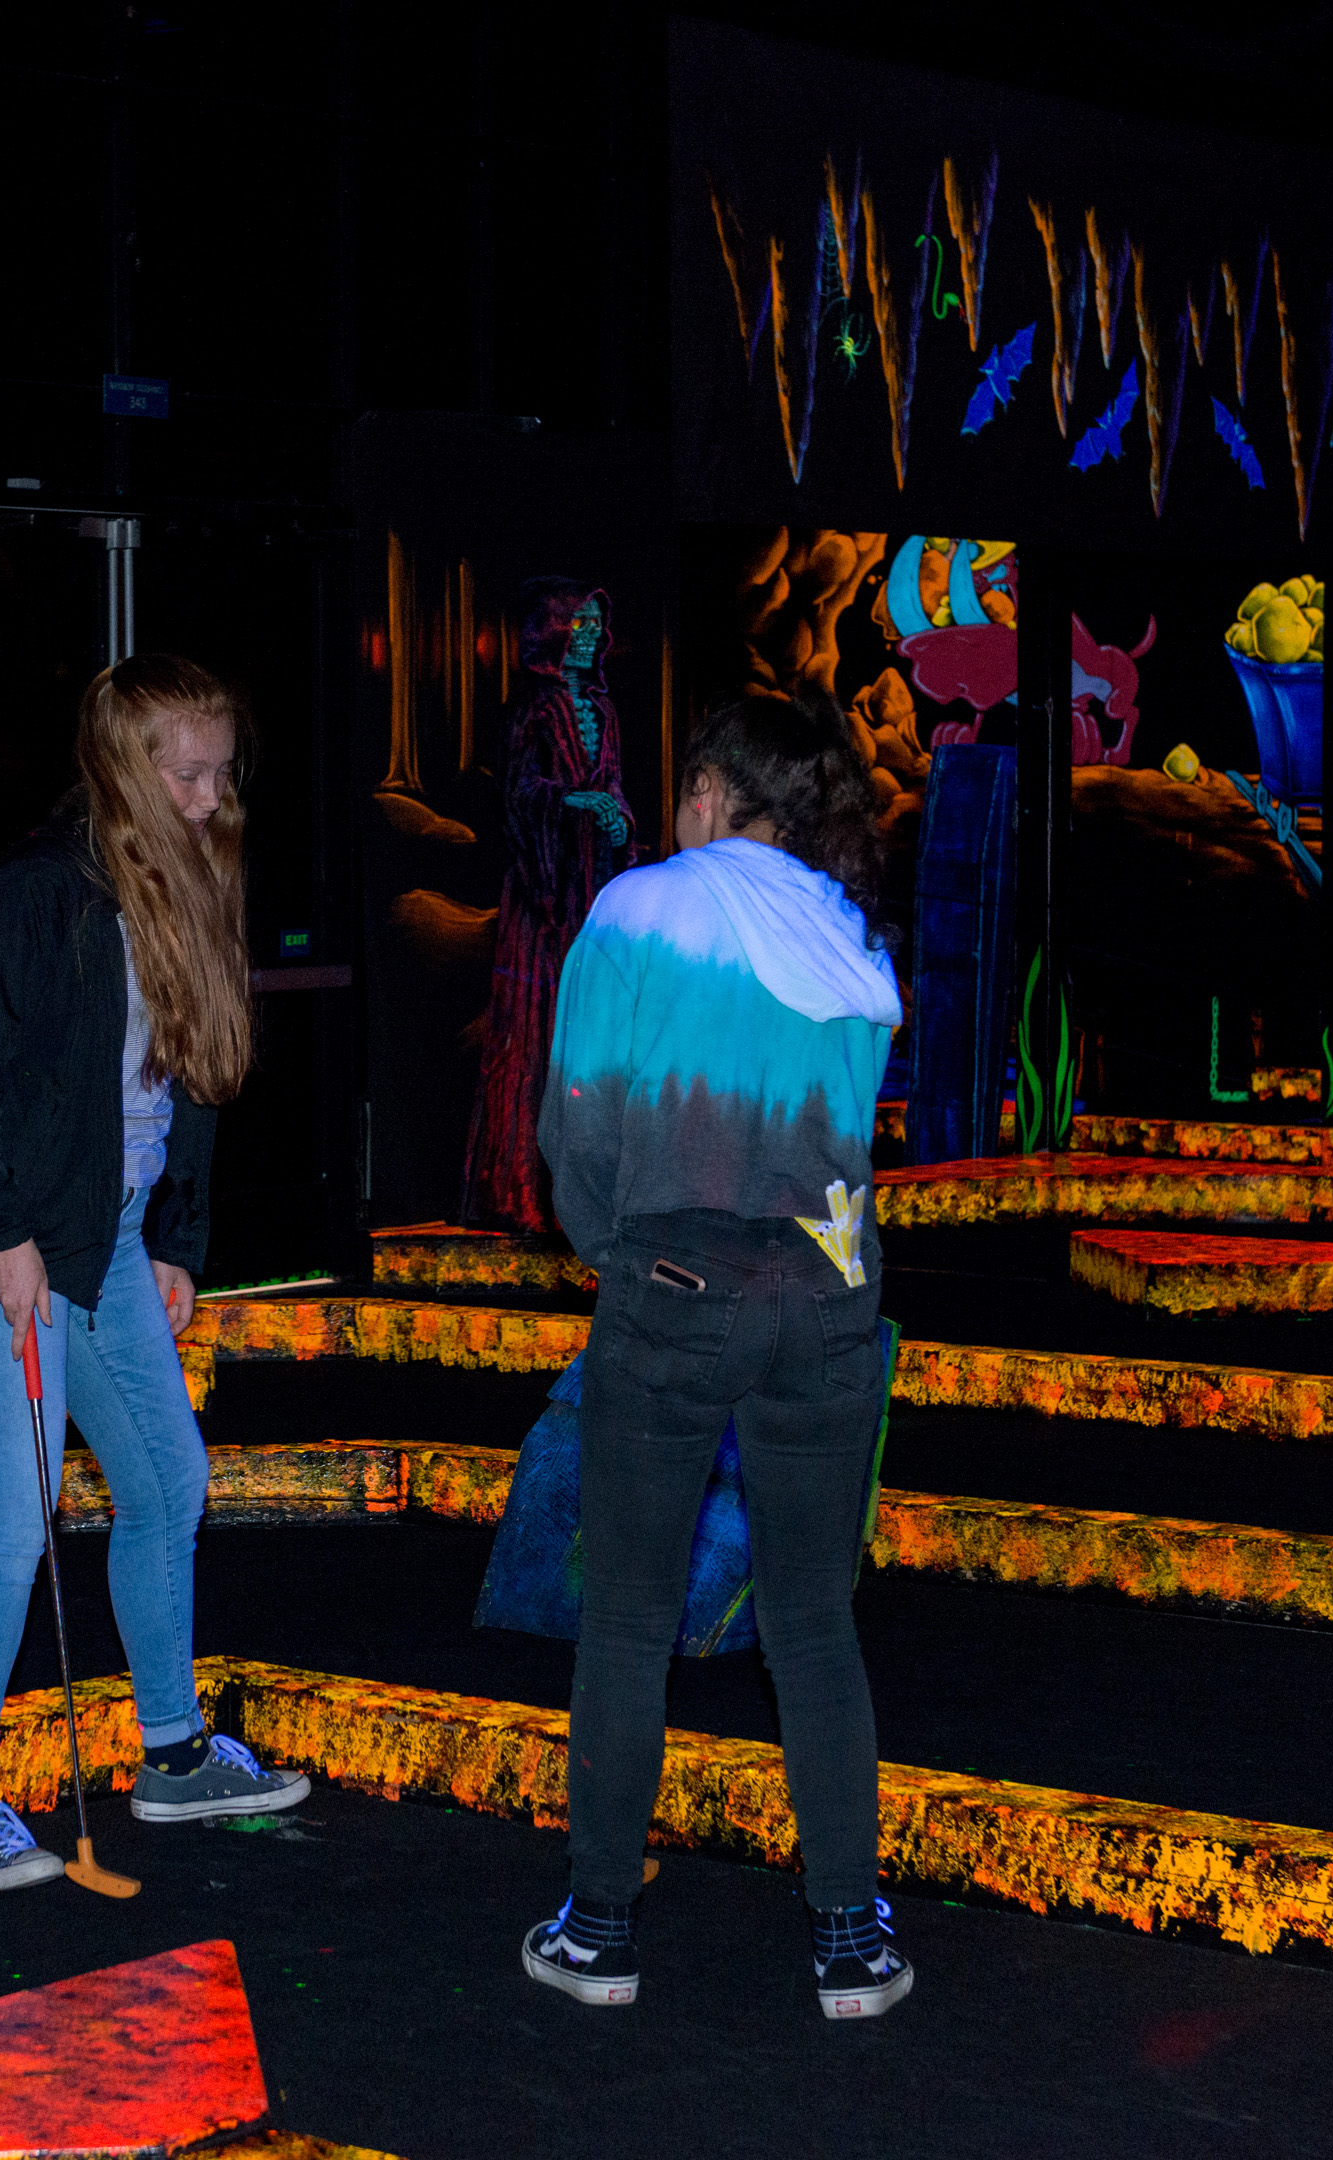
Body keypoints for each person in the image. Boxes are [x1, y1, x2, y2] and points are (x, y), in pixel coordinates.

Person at [521, 692, 910, 2018]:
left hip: (677, 1284)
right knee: (814, 1625)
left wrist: (610, 1250)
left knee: (630, 1623)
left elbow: (578, 1117)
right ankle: (851, 1937)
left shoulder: (642, 908)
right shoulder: (850, 932)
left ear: (702, 793)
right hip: (831, 1298)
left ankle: (599, 1929)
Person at [0, 653, 308, 1891]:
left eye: (221, 773)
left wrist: (176, 1237)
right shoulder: (39, 893)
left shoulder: (193, 881)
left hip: (108, 1232)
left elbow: (193, 1079)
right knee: (13, 1515)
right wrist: (4, 1236)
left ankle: (174, 1755)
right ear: (122, 769)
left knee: (169, 1482)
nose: (209, 797)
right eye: (185, 775)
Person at [463, 579, 635, 1232]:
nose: (592, 636)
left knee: (592, 1034)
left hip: (592, 889)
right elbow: (516, 794)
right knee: (537, 1033)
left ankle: (590, 1188)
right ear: (556, 631)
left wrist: (616, 817)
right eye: (580, 624)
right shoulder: (531, 711)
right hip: (544, 897)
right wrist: (568, 801)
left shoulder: (603, 710)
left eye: (595, 624)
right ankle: (524, 1189)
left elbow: (613, 781)